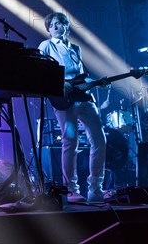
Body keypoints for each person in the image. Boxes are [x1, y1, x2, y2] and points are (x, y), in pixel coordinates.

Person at [38, 12, 107, 203]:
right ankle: (71, 189)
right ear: (49, 29)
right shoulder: (46, 45)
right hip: (63, 99)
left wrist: (96, 82)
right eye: (53, 25)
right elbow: (41, 71)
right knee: (70, 142)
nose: (57, 27)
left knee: (99, 140)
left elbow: (82, 76)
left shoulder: (75, 48)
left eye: (61, 24)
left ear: (67, 26)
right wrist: (61, 84)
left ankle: (95, 187)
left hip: (84, 98)